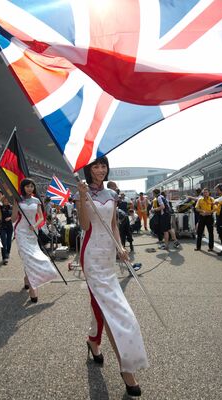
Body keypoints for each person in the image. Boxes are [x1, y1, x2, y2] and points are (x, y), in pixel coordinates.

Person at [76, 156, 147, 397]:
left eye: (103, 165)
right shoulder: (83, 193)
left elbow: (113, 224)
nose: (100, 169)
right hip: (92, 257)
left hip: (108, 256)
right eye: (95, 166)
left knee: (100, 305)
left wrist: (120, 247)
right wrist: (82, 197)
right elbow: (85, 226)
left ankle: (93, 341)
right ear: (88, 170)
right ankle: (127, 371)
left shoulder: (111, 195)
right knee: (114, 311)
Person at [12, 178, 58, 303]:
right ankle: (33, 287)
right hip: (21, 232)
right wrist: (16, 206)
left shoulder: (37, 200)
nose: (30, 188)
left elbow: (41, 217)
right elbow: (13, 219)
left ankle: (27, 279)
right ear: (23, 187)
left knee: (33, 256)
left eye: (32, 186)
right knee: (27, 257)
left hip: (33, 232)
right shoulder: (18, 200)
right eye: (27, 186)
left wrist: (36, 225)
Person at [0, 190, 13, 265]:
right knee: (3, 242)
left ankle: (7, 252)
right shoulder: (1, 207)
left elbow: (17, 215)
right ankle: (4, 257)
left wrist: (10, 218)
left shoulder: (12, 207)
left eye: (7, 199)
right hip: (2, 226)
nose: (6, 201)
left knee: (9, 242)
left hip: (9, 227)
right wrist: (1, 198)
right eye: (4, 200)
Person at [195, 188, 215, 252]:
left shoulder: (212, 199)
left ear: (209, 193)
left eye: (206, 192)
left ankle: (211, 247)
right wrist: (202, 211)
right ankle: (198, 247)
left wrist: (209, 212)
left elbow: (215, 208)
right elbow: (196, 208)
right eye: (204, 192)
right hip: (202, 217)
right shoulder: (200, 200)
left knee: (210, 233)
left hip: (209, 217)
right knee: (199, 232)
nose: (205, 193)